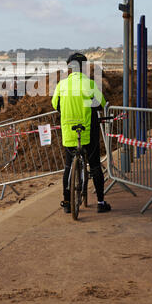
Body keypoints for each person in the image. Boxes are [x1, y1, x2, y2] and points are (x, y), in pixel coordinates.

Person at [52, 52, 111, 214]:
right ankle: (100, 201)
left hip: (69, 131)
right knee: (95, 165)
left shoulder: (61, 85)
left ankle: (67, 202)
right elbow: (102, 103)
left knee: (68, 166)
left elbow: (55, 105)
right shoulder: (90, 84)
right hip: (88, 130)